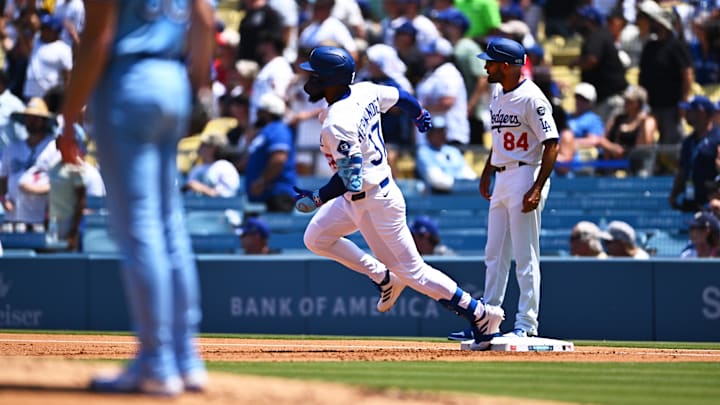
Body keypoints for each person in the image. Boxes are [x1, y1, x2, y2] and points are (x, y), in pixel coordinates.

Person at [291, 45, 504, 350]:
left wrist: (317, 197)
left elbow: (350, 178)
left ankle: (480, 314)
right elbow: (399, 95)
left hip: (374, 202)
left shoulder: (337, 122)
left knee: (414, 272)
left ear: (331, 80)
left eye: (314, 75)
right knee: (316, 238)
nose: (308, 79)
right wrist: (419, 114)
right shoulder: (363, 91)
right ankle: (383, 276)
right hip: (360, 196)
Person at [56, 0, 215, 396]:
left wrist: (70, 117)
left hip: (128, 82)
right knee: (169, 224)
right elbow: (205, 20)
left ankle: (156, 363)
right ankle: (186, 360)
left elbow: (98, 39)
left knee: (140, 227)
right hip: (172, 77)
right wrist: (195, 84)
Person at [449, 37, 559, 341]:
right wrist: (487, 171)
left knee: (525, 255)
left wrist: (537, 187)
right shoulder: (497, 93)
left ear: (509, 66)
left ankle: (527, 324)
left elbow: (552, 143)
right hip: (503, 175)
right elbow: (499, 140)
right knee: (494, 253)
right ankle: (488, 319)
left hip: (526, 173)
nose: (486, 66)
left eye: (492, 61)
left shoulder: (532, 98)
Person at [1, 97, 58, 231]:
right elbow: (2, 179)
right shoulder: (13, 148)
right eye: (28, 117)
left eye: (36, 118)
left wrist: (35, 189)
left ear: (44, 121)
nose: (31, 121)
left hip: (41, 219)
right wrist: (3, 199)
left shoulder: (53, 148)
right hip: (14, 218)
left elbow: (61, 183)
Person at [243, 92, 297, 212]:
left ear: (266, 112)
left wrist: (262, 181)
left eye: (259, 110)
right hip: (264, 195)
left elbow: (279, 159)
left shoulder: (278, 129)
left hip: (277, 196)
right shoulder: (266, 131)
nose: (257, 114)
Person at [669, 96, 720, 213]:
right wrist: (674, 193)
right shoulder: (688, 141)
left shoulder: (717, 138)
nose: (686, 114)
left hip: (710, 202)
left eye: (690, 110)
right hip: (690, 199)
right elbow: (682, 169)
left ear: (701, 112)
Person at [415, 115, 477, 193]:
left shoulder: (453, 151)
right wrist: (460, 184)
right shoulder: (423, 152)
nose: (442, 134)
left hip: (460, 193)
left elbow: (467, 172)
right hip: (437, 195)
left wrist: (473, 184)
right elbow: (435, 179)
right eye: (437, 132)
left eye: (443, 131)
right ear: (429, 135)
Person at [182, 131, 241, 198]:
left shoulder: (225, 167)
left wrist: (202, 189)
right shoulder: (196, 168)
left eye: (203, 145)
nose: (199, 147)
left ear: (213, 148)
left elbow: (228, 194)